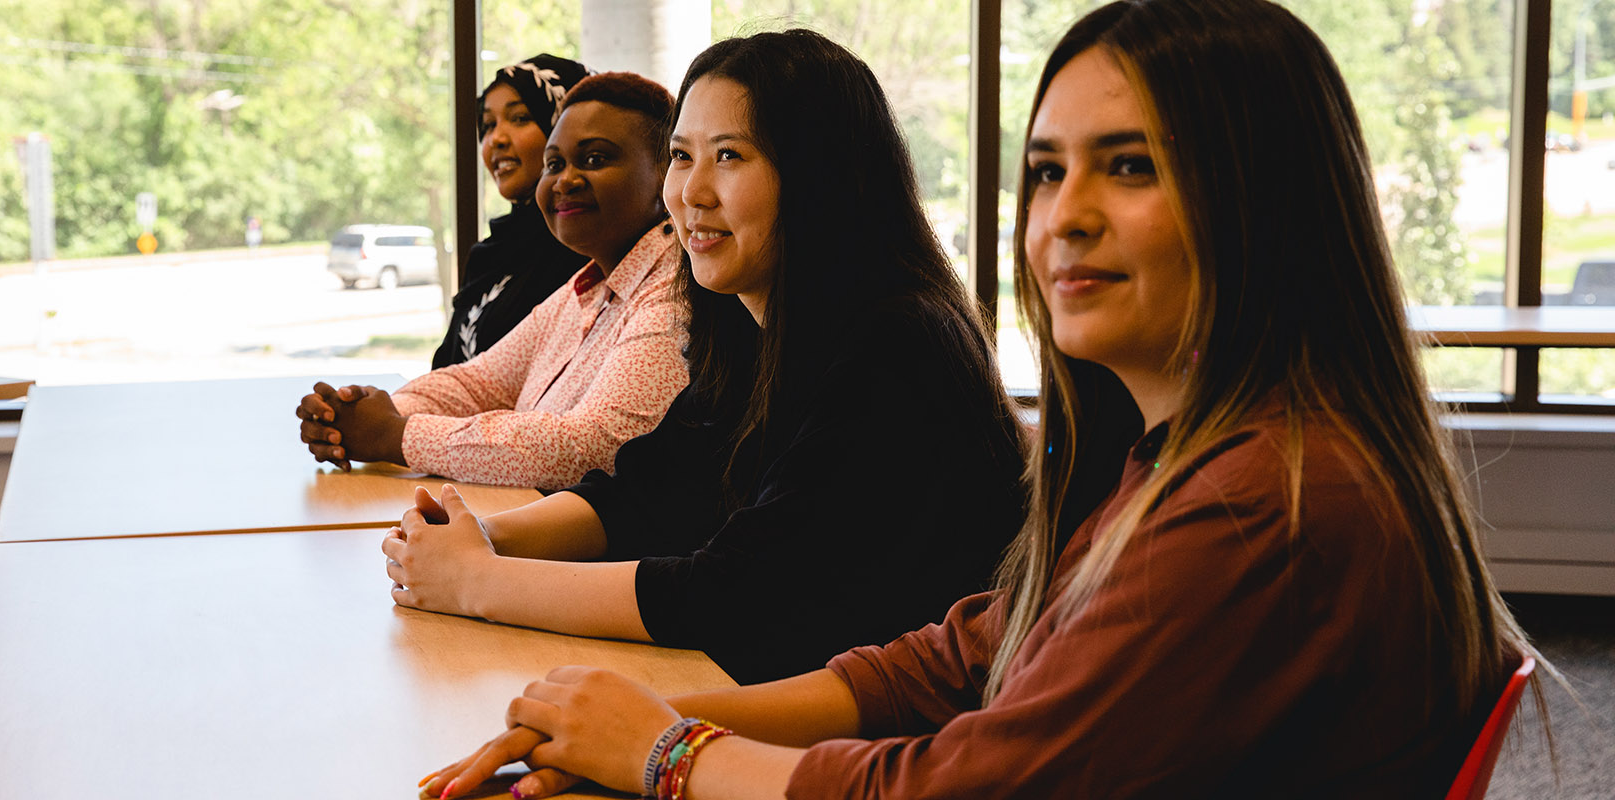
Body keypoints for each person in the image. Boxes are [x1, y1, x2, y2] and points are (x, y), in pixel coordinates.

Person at [415, 3, 1547, 798]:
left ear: (1267, 204)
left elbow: (971, 779)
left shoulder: (1267, 500)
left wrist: (669, 754)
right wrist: (639, 723)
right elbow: (964, 654)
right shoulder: (1192, 454)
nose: (1065, 216)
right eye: (1049, 170)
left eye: (1131, 165)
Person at [379, 29, 1026, 687]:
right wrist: (483, 540)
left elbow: (741, 596)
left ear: (820, 173)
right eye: (682, 157)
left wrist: (481, 581)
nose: (692, 192)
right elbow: (649, 494)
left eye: (730, 156)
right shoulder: (747, 324)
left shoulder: (897, 345)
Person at [297, 73, 688, 491]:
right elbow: (479, 382)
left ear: (667, 170)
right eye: (553, 165)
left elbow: (593, 450)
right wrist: (355, 416)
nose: (565, 180)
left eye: (594, 159)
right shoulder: (589, 285)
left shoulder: (674, 292)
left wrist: (397, 435)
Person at [432, 55, 595, 369]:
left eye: (520, 118)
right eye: (488, 125)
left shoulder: (584, 252)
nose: (497, 139)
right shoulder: (489, 255)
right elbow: (448, 368)